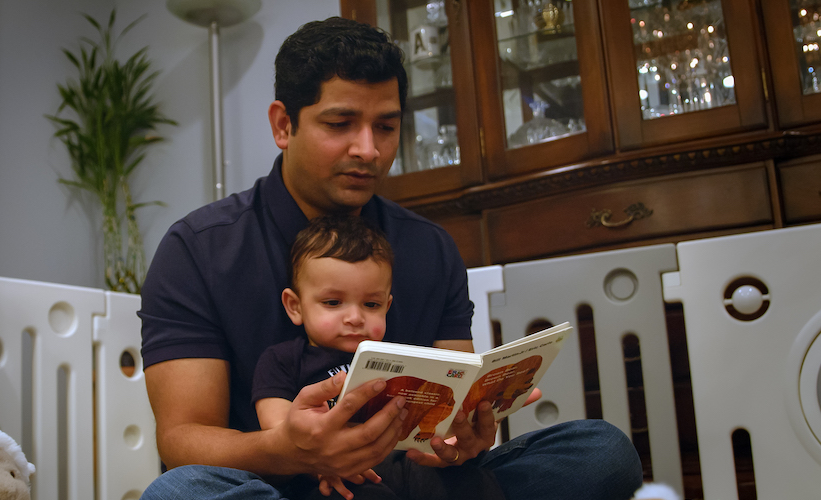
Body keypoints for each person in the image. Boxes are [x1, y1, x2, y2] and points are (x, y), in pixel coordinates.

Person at [139, 16, 642, 500]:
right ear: (283, 125)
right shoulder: (199, 251)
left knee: (602, 452)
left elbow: (454, 405)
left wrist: (460, 442)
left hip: (412, 484)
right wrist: (286, 449)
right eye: (340, 123)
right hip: (276, 484)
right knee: (180, 492)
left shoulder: (428, 247)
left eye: (385, 126)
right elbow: (182, 438)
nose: (369, 150)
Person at [253, 214, 504, 500]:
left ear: (387, 306)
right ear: (295, 306)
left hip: (410, 462)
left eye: (371, 304)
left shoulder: (401, 357)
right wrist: (316, 463)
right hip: (334, 477)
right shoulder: (282, 360)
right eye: (333, 302)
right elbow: (280, 433)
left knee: (472, 481)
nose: (354, 317)